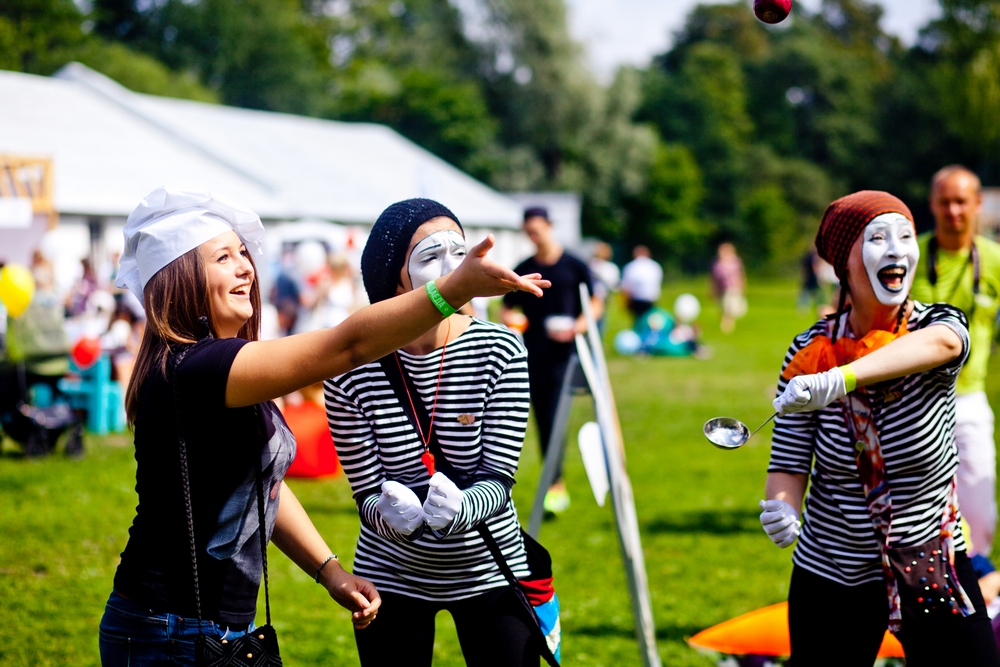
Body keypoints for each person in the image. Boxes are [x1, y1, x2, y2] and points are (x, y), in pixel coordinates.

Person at [98, 187, 547, 666]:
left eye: (244, 254)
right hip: (166, 627)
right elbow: (346, 349)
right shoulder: (197, 368)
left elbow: (262, 483)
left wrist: (330, 572)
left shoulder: (218, 366)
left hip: (219, 626)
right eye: (223, 258)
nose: (246, 267)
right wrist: (456, 288)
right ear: (179, 280)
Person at [760, 190, 1000, 666]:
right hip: (832, 568)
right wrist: (781, 509)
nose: (896, 250)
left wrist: (842, 378)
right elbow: (788, 462)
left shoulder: (934, 326)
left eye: (906, 236)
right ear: (843, 263)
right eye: (878, 238)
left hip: (931, 564)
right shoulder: (809, 353)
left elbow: (945, 344)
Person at [325, 198, 551, 666]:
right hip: (389, 572)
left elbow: (500, 476)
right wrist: (389, 516)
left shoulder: (501, 348)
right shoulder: (349, 367)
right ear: (395, 279)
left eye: (461, 251)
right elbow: (365, 490)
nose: (457, 269)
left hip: (490, 566)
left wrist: (463, 507)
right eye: (431, 257)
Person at [910, 165, 1000, 565]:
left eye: (961, 201)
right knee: (911, 513)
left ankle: (980, 594)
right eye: (944, 201)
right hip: (912, 401)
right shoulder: (909, 256)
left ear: (977, 204)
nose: (953, 211)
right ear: (932, 204)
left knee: (981, 514)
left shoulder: (995, 260)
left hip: (968, 399)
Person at [501, 206, 600, 514]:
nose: (533, 236)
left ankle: (557, 485)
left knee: (558, 418)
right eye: (528, 232)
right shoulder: (525, 267)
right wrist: (514, 322)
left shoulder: (574, 265)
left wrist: (580, 325)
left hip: (570, 356)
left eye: (537, 230)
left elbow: (597, 301)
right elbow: (507, 308)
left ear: (549, 226)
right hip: (536, 356)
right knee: (544, 420)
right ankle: (555, 485)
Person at [711, 242, 747, 334]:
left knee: (730, 307)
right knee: (724, 306)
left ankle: (728, 324)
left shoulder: (735, 261)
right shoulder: (718, 263)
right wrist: (714, 289)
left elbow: (740, 274)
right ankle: (727, 322)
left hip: (734, 288)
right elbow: (715, 278)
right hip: (723, 289)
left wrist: (743, 285)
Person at [620, 245, 662, 321]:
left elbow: (627, 288)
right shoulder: (655, 266)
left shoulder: (630, 266)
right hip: (651, 299)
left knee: (638, 321)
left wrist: (626, 304)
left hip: (636, 300)